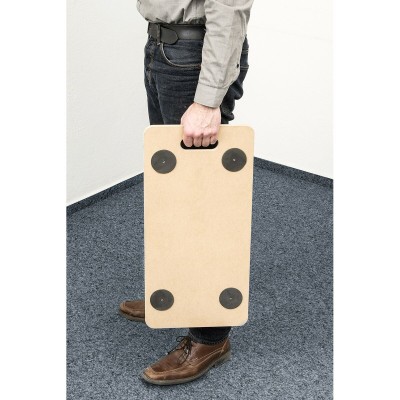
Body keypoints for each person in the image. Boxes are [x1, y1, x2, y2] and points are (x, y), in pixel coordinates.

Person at [119, 0, 254, 385]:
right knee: (173, 198)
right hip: (162, 49)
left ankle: (210, 339)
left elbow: (229, 8)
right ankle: (178, 292)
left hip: (194, 56)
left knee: (203, 205)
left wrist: (208, 100)